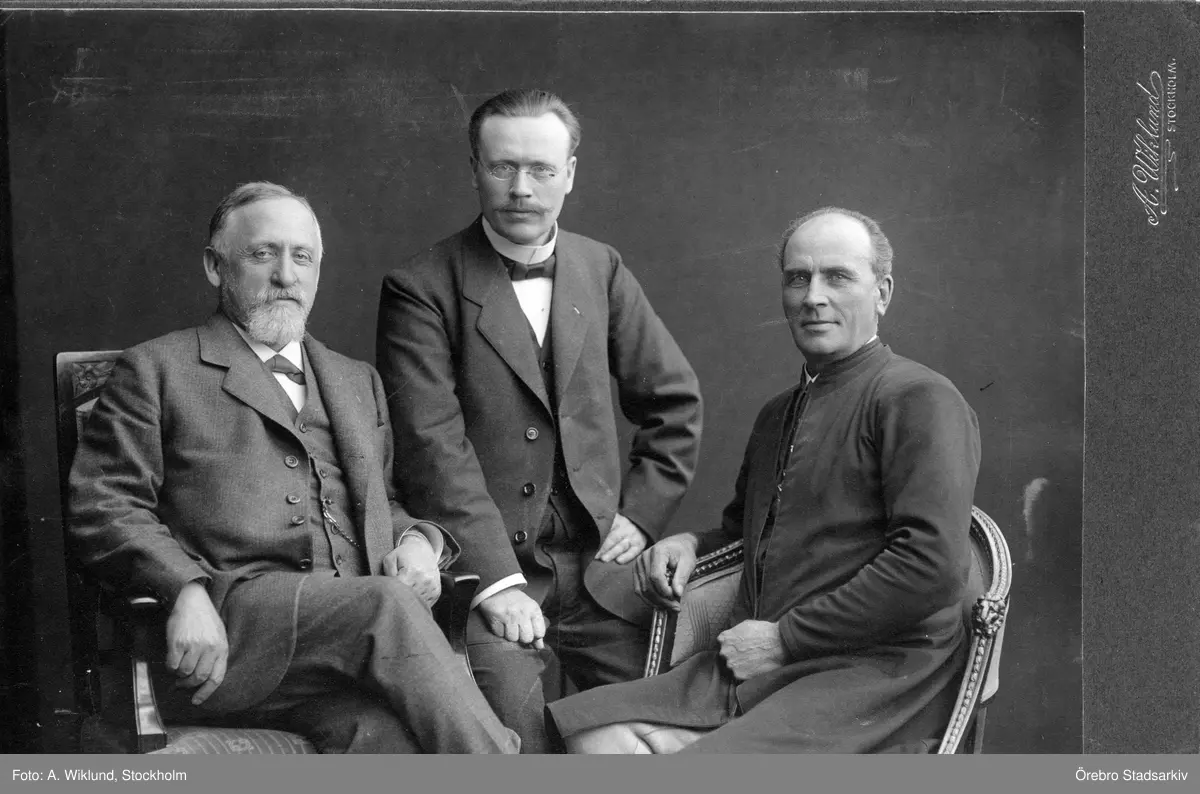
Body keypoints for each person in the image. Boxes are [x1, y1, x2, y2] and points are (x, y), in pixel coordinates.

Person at [69, 181, 518, 754]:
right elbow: (105, 505)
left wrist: (418, 543)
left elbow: (383, 502)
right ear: (215, 267)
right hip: (230, 639)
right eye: (263, 254)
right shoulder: (157, 369)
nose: (286, 275)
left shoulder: (357, 380)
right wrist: (184, 590)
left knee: (387, 741)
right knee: (385, 602)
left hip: (341, 657)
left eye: (302, 257)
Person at [545, 207, 981, 753]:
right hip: (759, 663)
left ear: (883, 293)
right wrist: (690, 543)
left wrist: (785, 640)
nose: (813, 297)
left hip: (874, 676)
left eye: (838, 277)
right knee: (586, 732)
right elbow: (747, 534)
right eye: (798, 278)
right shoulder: (778, 414)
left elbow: (931, 567)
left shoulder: (919, 398)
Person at [376, 89, 703, 753]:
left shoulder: (601, 267)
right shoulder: (419, 287)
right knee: (512, 743)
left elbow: (675, 401)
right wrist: (497, 584)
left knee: (659, 736)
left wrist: (640, 516)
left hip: (600, 575)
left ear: (570, 174)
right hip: (487, 574)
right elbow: (431, 447)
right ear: (474, 168)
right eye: (503, 167)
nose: (522, 189)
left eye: (541, 170)